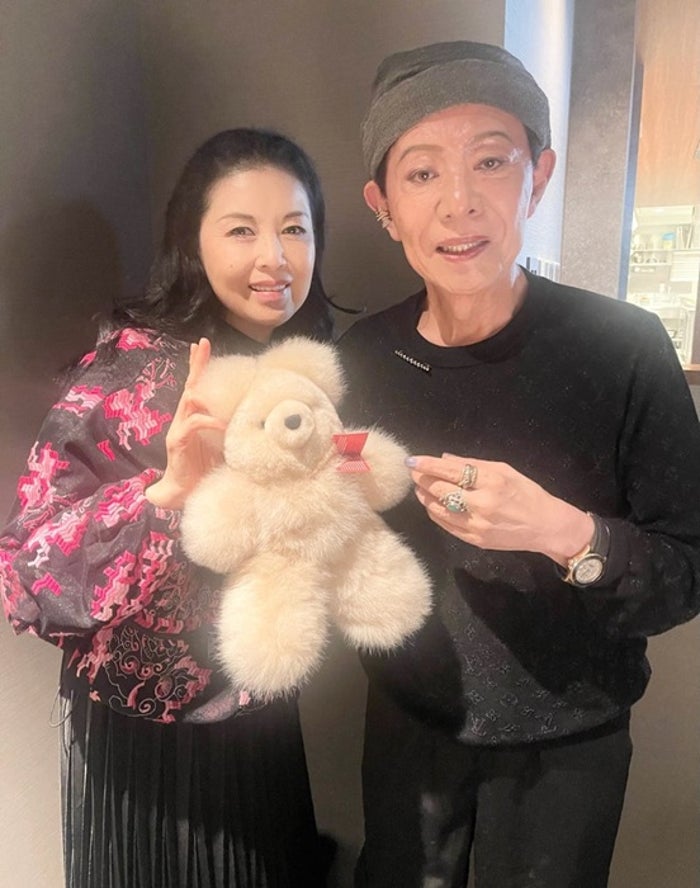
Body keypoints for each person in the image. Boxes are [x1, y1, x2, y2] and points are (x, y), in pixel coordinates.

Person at [339, 41, 700, 888]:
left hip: (568, 749)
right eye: (421, 173)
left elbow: (688, 571)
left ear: (537, 177)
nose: (459, 202)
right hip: (407, 728)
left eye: (491, 161)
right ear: (383, 206)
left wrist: (562, 531)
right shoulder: (362, 358)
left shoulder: (623, 348)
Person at [0, 128, 335, 888]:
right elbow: (26, 570)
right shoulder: (136, 367)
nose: (274, 258)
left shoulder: (301, 365)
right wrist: (166, 494)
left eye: (294, 229)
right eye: (241, 230)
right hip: (154, 738)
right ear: (193, 240)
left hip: (261, 707)